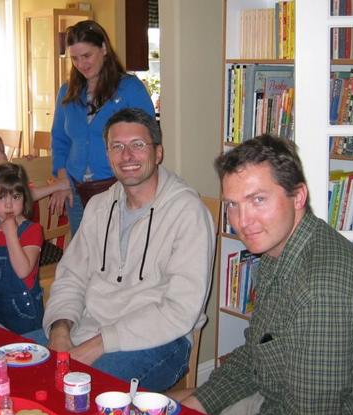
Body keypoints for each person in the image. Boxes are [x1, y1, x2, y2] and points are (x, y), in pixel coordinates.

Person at [171, 135, 353, 415]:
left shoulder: (322, 290)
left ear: (298, 196)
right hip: (279, 401)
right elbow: (256, 352)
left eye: (258, 200)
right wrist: (199, 404)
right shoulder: (278, 251)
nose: (242, 221)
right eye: (233, 205)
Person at [26, 108, 215, 391]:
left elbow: (180, 310)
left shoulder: (188, 213)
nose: (127, 156)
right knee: (9, 364)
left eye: (138, 145)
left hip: (160, 340)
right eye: (117, 146)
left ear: (158, 152)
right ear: (108, 154)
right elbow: (71, 277)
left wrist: (99, 344)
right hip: (87, 328)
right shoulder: (99, 206)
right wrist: (60, 329)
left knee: (84, 396)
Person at [50, 20, 156, 235]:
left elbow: (148, 138)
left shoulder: (129, 88)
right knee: (84, 256)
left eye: (87, 56)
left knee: (116, 256)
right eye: (75, 58)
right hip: (76, 191)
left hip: (118, 188)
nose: (81, 64)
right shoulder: (67, 93)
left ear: (104, 49)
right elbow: (60, 140)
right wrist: (62, 179)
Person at [0, 162, 44, 334]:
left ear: (25, 197)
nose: (9, 205)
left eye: (15, 197)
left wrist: (10, 232)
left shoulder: (32, 230)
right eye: (1, 197)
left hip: (23, 311)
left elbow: (23, 270)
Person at [0, 132, 69, 202]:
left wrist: (27, 165)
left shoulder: (2, 177)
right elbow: (26, 195)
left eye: (2, 151)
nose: (3, 156)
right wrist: (59, 185)